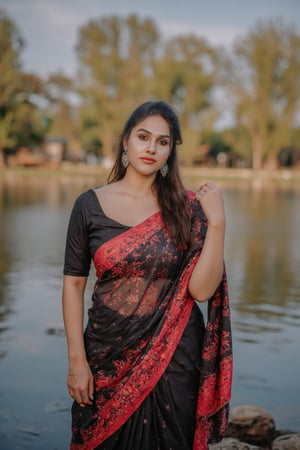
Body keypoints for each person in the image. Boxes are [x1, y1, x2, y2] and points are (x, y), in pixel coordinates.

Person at [62, 100, 232, 450]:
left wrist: (217, 223)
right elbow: (73, 285)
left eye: (163, 141)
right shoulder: (89, 206)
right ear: (125, 141)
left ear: (171, 151)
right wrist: (77, 362)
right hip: (106, 354)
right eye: (143, 136)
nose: (151, 148)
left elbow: (200, 291)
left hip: (176, 356)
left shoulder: (187, 210)